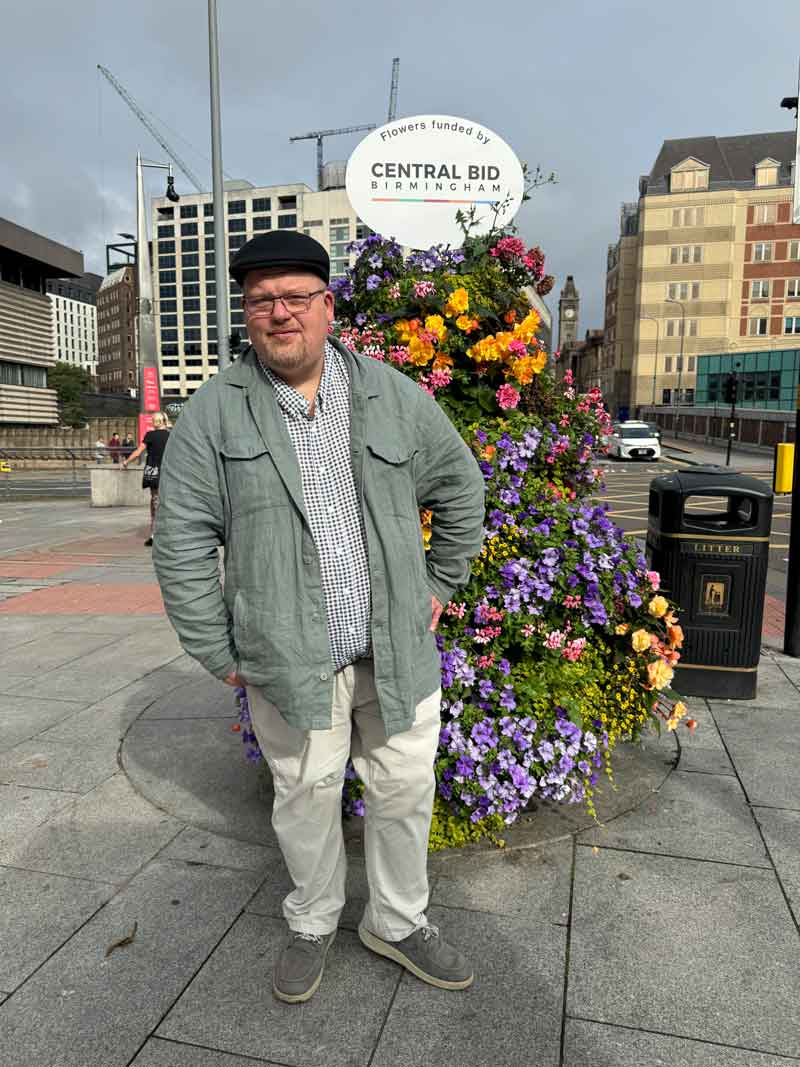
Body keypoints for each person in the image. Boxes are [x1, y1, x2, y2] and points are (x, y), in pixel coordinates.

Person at [152, 230, 485, 1005]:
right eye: (261, 300)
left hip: (396, 646)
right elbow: (181, 537)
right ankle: (312, 920)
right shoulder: (214, 412)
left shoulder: (392, 393)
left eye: (295, 297)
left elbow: (460, 486)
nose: (279, 314)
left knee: (404, 788)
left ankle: (398, 922)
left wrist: (440, 583)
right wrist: (216, 645)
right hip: (287, 654)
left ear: (327, 307)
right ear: (247, 313)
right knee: (305, 792)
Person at [122, 413, 170, 546]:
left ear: (156, 422)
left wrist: (126, 462)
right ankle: (168, 533)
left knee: (155, 501)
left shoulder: (150, 435)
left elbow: (138, 452)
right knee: (167, 502)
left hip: (154, 472)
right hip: (168, 473)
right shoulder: (171, 435)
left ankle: (154, 535)